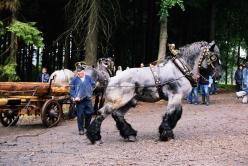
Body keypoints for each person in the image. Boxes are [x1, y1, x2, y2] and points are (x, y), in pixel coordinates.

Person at [70, 66, 96, 135]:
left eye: (80, 73)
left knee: (90, 112)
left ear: (83, 72)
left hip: (88, 98)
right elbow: (72, 90)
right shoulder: (74, 79)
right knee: (80, 115)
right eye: (78, 73)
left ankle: (87, 126)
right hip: (79, 100)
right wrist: (74, 97)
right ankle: (81, 129)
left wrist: (95, 85)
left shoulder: (88, 78)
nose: (79, 74)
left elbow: (93, 84)